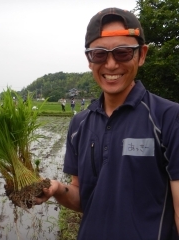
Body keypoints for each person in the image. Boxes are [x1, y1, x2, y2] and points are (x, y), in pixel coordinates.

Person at [35, 7, 179, 240]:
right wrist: (56, 189)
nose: (111, 65)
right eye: (100, 54)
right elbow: (84, 198)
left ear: (141, 55)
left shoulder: (169, 118)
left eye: (123, 53)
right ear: (90, 60)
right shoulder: (79, 124)